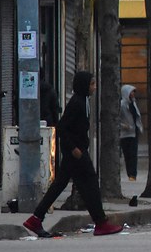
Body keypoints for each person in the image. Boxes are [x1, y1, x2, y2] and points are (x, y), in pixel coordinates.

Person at [23, 71, 123, 237]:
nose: (94, 87)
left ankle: (36, 218)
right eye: (92, 84)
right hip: (76, 153)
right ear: (84, 85)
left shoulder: (84, 101)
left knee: (61, 185)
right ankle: (101, 222)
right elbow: (62, 127)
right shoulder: (77, 103)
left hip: (76, 152)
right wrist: (72, 148)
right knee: (90, 184)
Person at [119, 84, 142, 181]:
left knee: (133, 153)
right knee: (127, 153)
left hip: (134, 131)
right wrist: (123, 125)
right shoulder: (122, 104)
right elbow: (116, 119)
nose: (133, 94)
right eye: (131, 92)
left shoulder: (133, 103)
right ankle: (130, 173)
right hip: (125, 133)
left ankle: (133, 174)